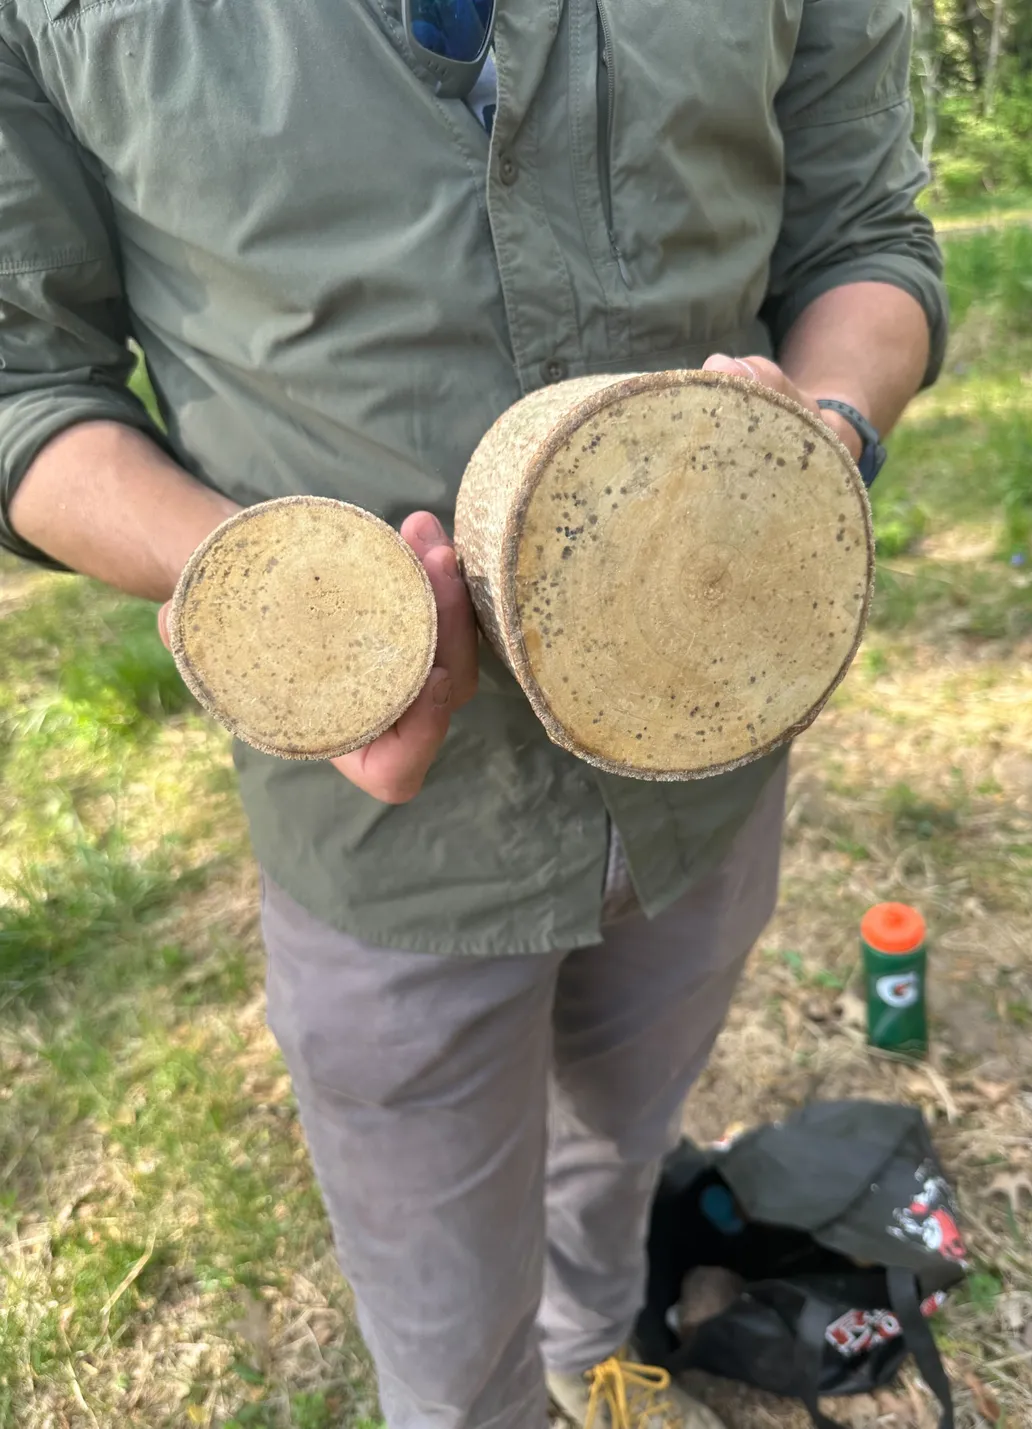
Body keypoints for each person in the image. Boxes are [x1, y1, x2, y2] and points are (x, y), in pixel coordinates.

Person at [0, 2, 946, 1425]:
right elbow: (24, 379)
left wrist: (820, 440)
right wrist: (288, 611)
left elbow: (865, 238)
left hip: (710, 769)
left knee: (621, 1153)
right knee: (445, 1356)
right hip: (384, 834)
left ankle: (592, 1346)